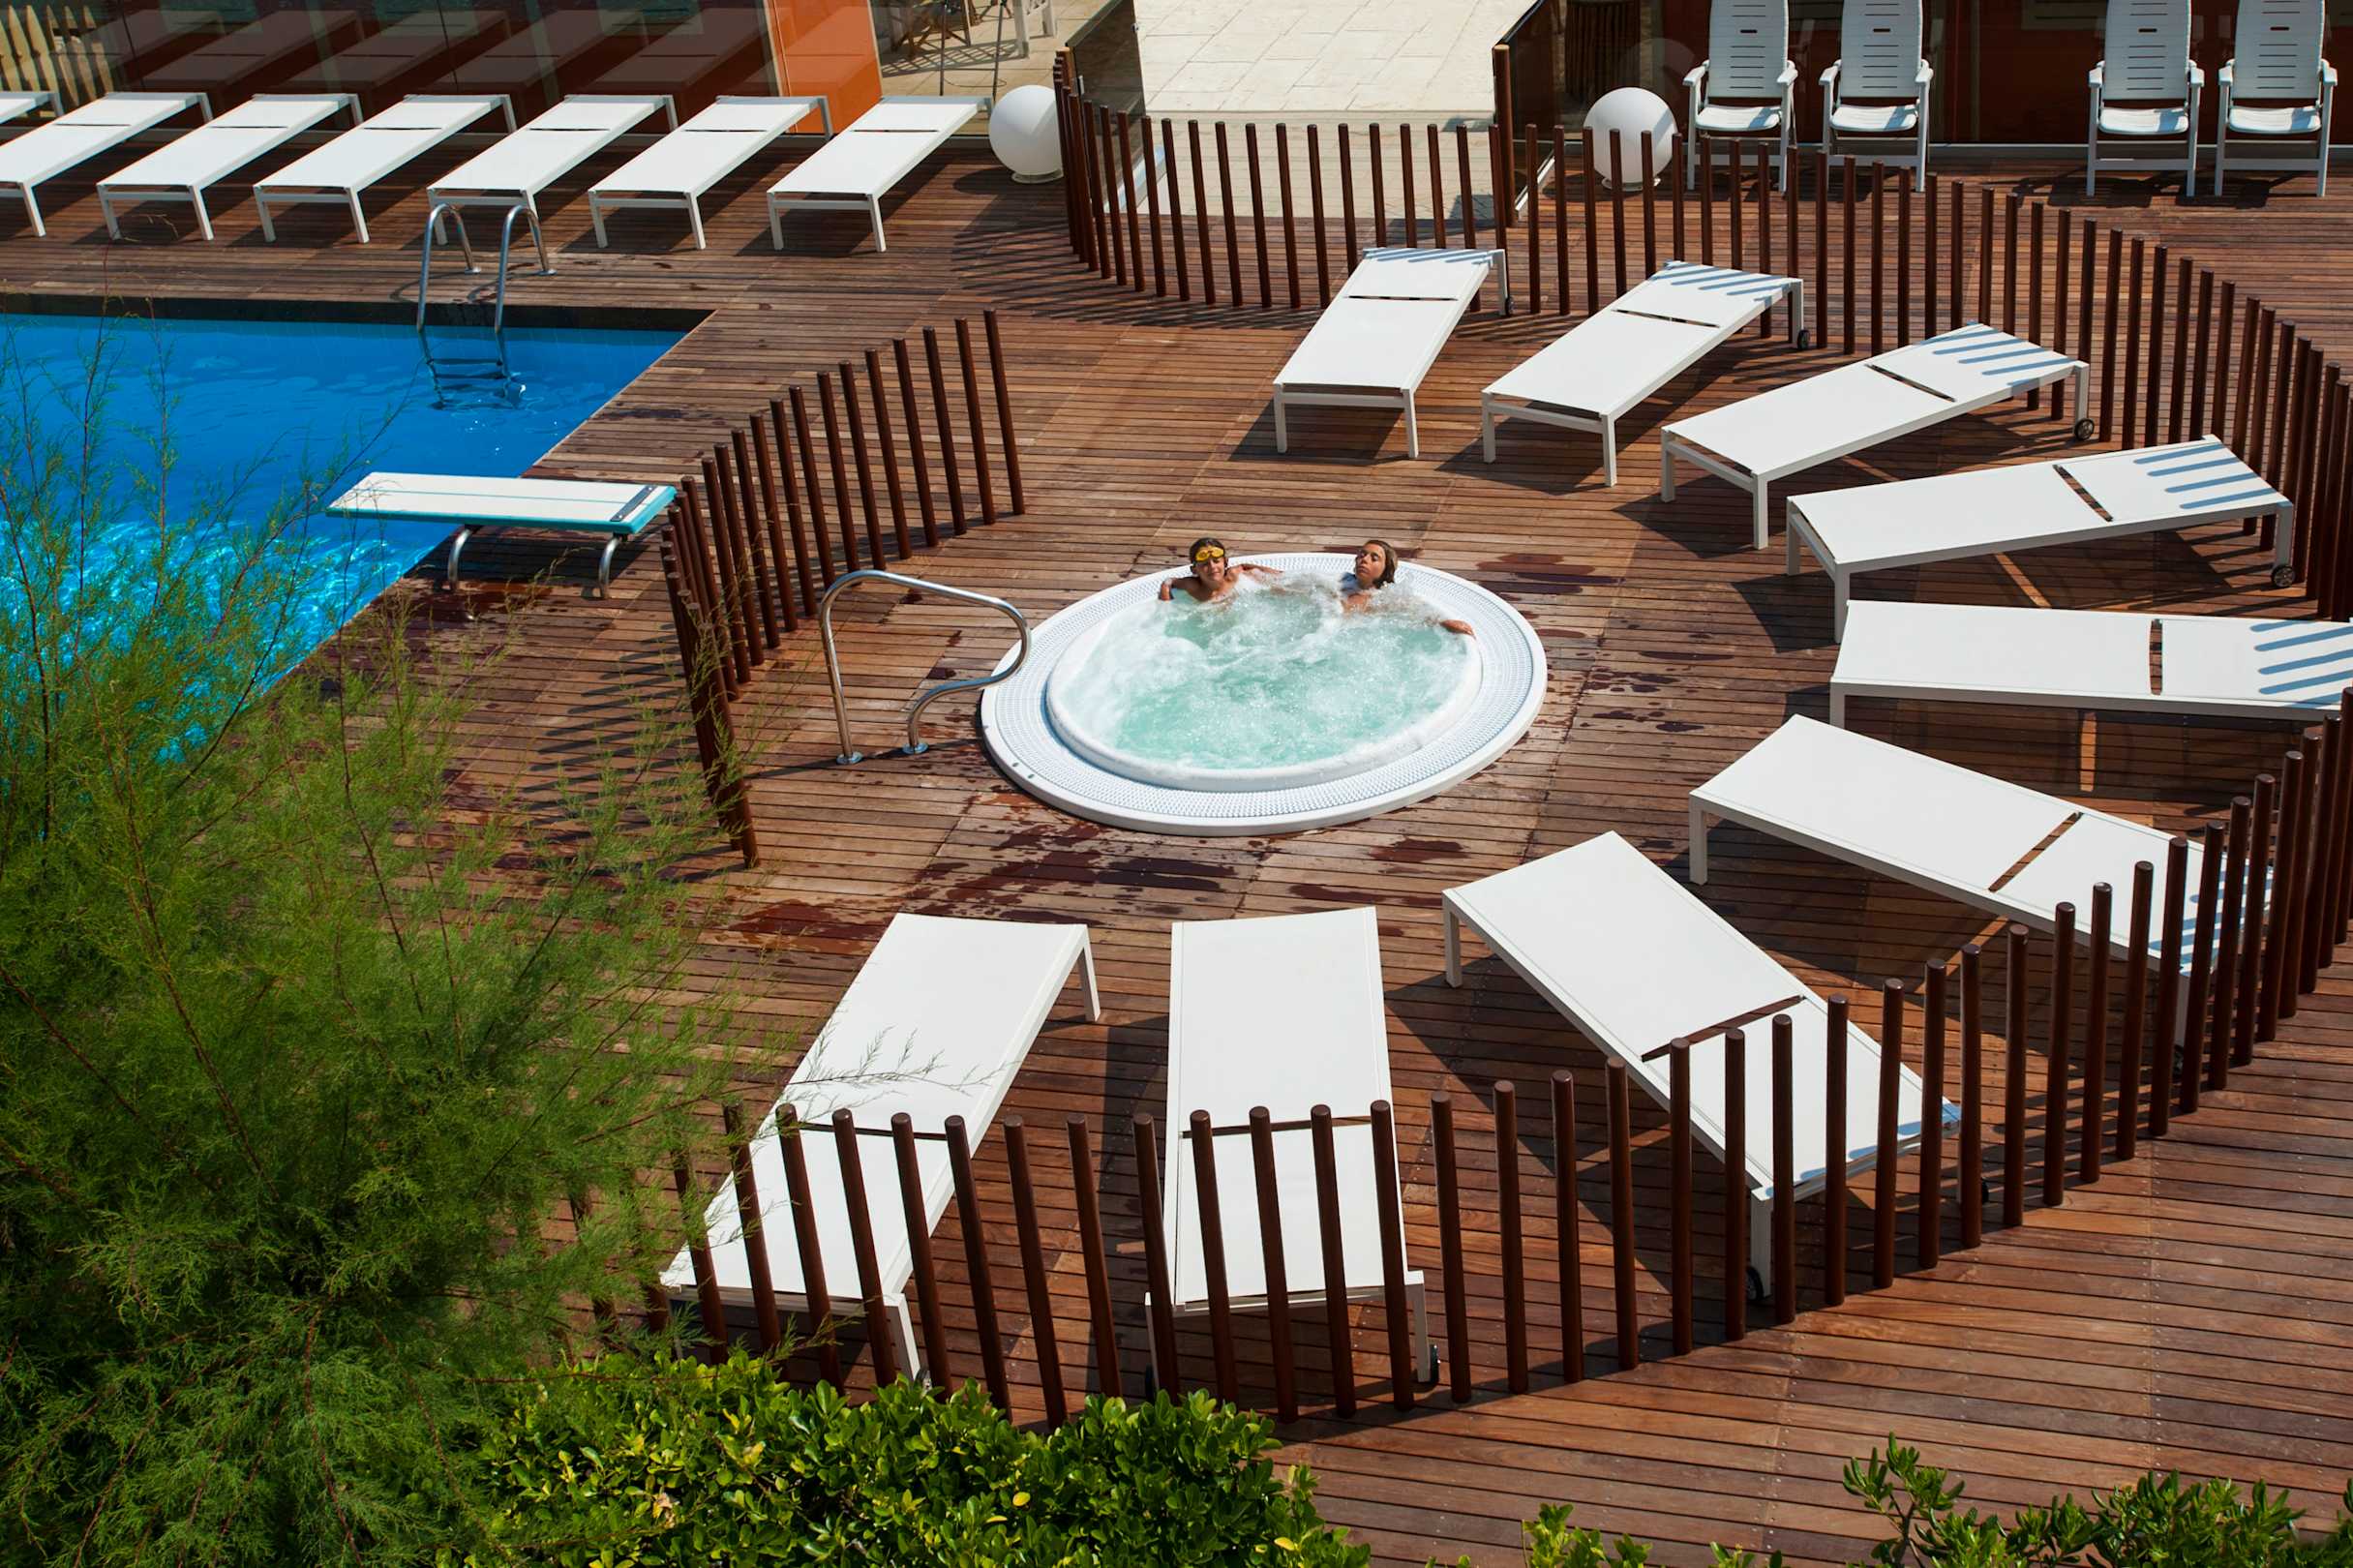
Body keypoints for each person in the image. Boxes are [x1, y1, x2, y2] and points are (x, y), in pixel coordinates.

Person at [1342, 539, 1472, 636]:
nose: (1364, 560)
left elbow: (1420, 612)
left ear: (1386, 569)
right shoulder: (1339, 582)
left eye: (1374, 558)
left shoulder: (1386, 597)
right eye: (1362, 555)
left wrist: (1444, 623)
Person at [1159, 536, 1282, 602]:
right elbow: (1168, 581)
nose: (1212, 567)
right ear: (1194, 570)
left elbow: (1243, 566)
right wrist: (1166, 604)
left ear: (1225, 562)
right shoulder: (1193, 585)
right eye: (1205, 564)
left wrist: (1271, 571)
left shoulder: (1232, 576)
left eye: (1216, 561)